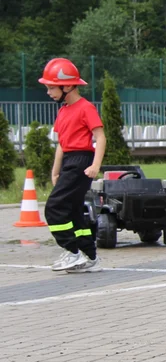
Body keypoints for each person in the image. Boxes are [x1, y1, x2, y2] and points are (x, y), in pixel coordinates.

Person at [40, 58, 106, 273]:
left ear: (67, 86)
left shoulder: (86, 108)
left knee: (54, 207)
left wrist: (96, 165)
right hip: (69, 160)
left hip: (82, 161)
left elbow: (100, 136)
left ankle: (72, 251)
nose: (48, 92)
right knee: (74, 210)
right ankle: (90, 257)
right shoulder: (63, 111)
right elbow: (61, 144)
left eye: (51, 87)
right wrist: (55, 170)